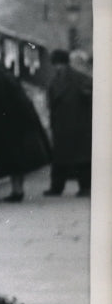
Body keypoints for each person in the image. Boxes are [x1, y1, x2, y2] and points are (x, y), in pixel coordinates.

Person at [0, 61, 52, 203]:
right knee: (17, 162)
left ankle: (17, 191)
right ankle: (17, 190)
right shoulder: (9, 78)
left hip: (4, 129)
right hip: (19, 128)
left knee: (12, 162)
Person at [44, 48, 93, 197]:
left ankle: (71, 187)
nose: (57, 68)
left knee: (74, 158)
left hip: (74, 123)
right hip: (70, 124)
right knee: (68, 157)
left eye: (58, 64)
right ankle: (61, 187)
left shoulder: (77, 78)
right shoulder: (79, 78)